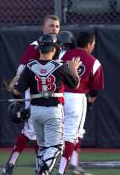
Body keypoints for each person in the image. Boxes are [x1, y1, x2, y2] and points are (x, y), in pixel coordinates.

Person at [12, 34, 81, 175]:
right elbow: (75, 85)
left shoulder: (30, 65)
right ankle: (42, 172)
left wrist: (18, 103)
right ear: (55, 49)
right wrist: (74, 70)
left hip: (35, 111)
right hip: (53, 110)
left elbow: (16, 91)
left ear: (40, 48)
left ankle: (40, 170)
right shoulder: (60, 65)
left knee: (43, 146)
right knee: (56, 147)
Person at [2, 14, 60, 175]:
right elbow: (22, 67)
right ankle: (10, 164)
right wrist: (16, 84)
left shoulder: (59, 46)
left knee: (38, 132)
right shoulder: (35, 46)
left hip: (52, 94)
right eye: (51, 26)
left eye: (56, 26)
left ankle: (37, 166)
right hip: (34, 91)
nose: (54, 29)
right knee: (31, 129)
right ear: (43, 28)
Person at [57, 31, 104, 175]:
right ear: (89, 45)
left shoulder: (63, 55)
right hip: (78, 99)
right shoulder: (94, 62)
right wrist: (89, 104)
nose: (93, 47)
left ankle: (45, 167)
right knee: (73, 135)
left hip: (59, 97)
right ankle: (64, 169)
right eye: (93, 44)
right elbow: (95, 90)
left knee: (56, 133)